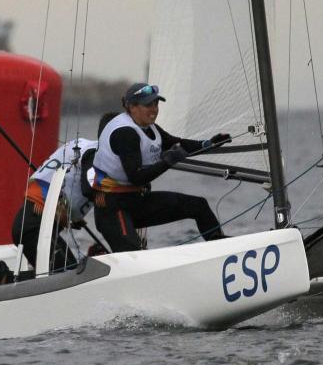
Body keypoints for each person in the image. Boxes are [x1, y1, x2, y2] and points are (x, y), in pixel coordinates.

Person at [92, 82, 231, 252]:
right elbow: (136, 177)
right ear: (131, 107)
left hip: (136, 202)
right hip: (112, 208)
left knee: (198, 205)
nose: (154, 109)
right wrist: (167, 162)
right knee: (133, 256)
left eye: (156, 104)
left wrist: (209, 143)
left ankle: (221, 251)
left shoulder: (150, 128)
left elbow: (178, 144)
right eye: (148, 104)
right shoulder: (125, 133)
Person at [10, 112, 117, 271]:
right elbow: (88, 187)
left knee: (64, 271)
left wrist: (72, 214)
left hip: (38, 226)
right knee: (65, 274)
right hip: (33, 225)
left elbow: (73, 183)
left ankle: (4, 277)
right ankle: (0, 275)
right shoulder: (94, 155)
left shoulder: (89, 148)